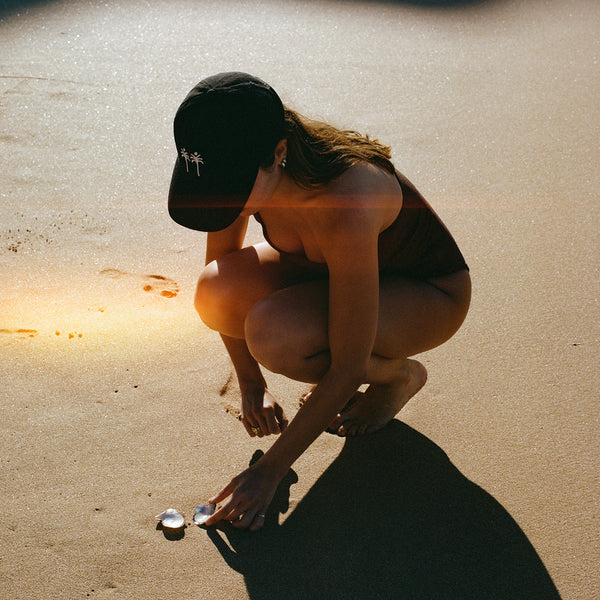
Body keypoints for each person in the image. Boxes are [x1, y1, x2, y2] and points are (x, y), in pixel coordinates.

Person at [168, 72, 471, 531]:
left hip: (426, 295)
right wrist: (251, 384)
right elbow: (222, 282)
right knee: (215, 289)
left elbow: (347, 368)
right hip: (330, 271)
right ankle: (370, 368)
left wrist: (268, 471)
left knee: (276, 335)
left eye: (229, 185)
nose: (220, 199)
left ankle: (398, 375)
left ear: (279, 154)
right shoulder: (248, 170)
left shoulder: (344, 200)